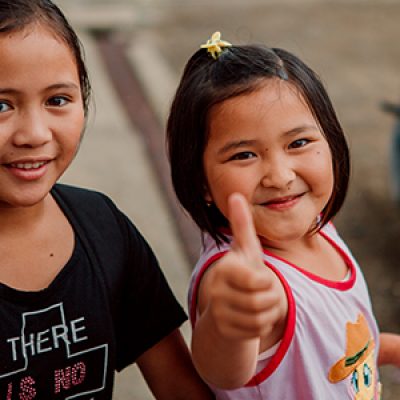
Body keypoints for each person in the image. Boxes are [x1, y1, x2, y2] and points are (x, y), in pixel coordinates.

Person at [166, 31, 400, 399]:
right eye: (244, 155)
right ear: (202, 182)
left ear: (332, 142)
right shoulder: (241, 279)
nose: (280, 176)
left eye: (298, 143)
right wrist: (233, 323)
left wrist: (385, 349)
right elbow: (224, 369)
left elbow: (328, 345)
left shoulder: (319, 230)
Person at [0, 1, 214, 399]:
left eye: (57, 100)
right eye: (2, 105)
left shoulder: (104, 228)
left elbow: (180, 387)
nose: (33, 133)